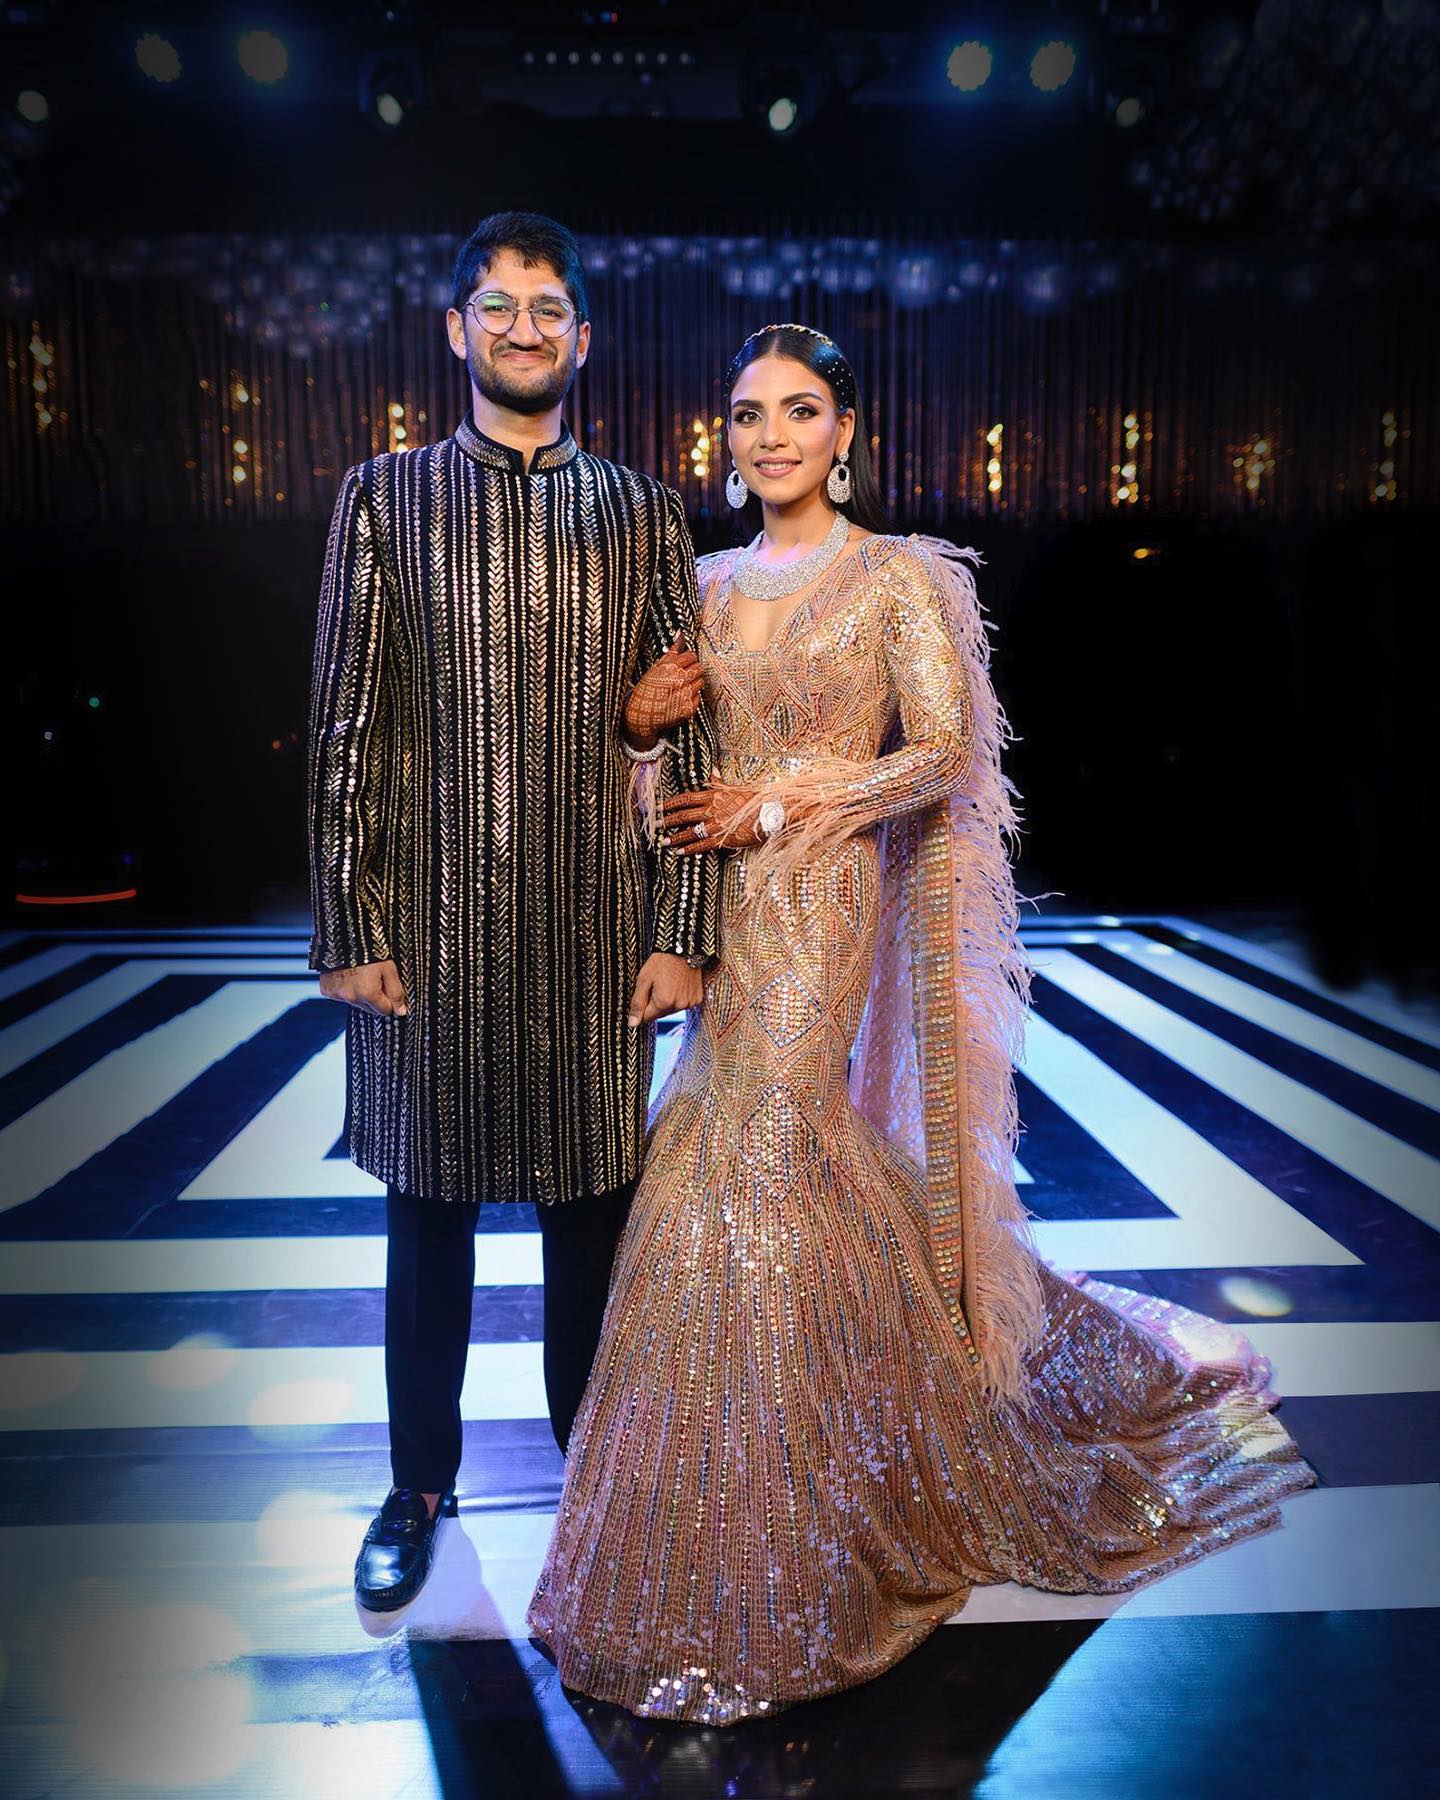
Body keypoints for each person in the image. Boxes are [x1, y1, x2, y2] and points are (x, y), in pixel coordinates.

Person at [525, 323, 1319, 1722]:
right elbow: (663, 787)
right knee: (729, 1162)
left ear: (846, 433)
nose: (772, 435)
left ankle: (793, 1513)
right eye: (749, 413)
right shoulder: (698, 585)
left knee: (756, 1152)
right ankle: (743, 1491)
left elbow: (943, 753)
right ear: (729, 438)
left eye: (801, 411)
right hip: (717, 910)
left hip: (824, 896)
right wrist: (642, 734)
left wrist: (785, 801)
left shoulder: (896, 575)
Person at [306, 212, 720, 1613]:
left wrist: (684, 926)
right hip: (428, 929)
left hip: (595, 931)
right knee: (426, 1218)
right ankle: (418, 1485)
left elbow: (688, 727)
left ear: (582, 337)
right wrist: (350, 925)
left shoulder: (642, 510)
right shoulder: (385, 497)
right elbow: (348, 724)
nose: (523, 329)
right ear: (456, 331)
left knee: (590, 1221)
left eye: (547, 308)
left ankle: (595, 1486)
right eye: (498, 307)